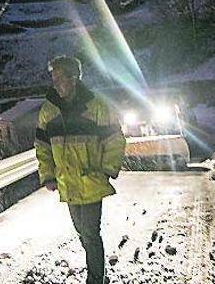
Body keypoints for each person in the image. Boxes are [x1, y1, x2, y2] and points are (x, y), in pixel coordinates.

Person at [35, 55, 126, 284]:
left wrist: (105, 170)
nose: (55, 83)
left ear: (73, 78)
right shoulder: (48, 110)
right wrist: (47, 175)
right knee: (82, 233)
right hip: (68, 182)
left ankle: (96, 279)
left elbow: (115, 139)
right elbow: (42, 146)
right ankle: (98, 273)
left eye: (59, 78)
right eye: (53, 78)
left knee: (91, 233)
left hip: (91, 180)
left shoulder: (96, 106)